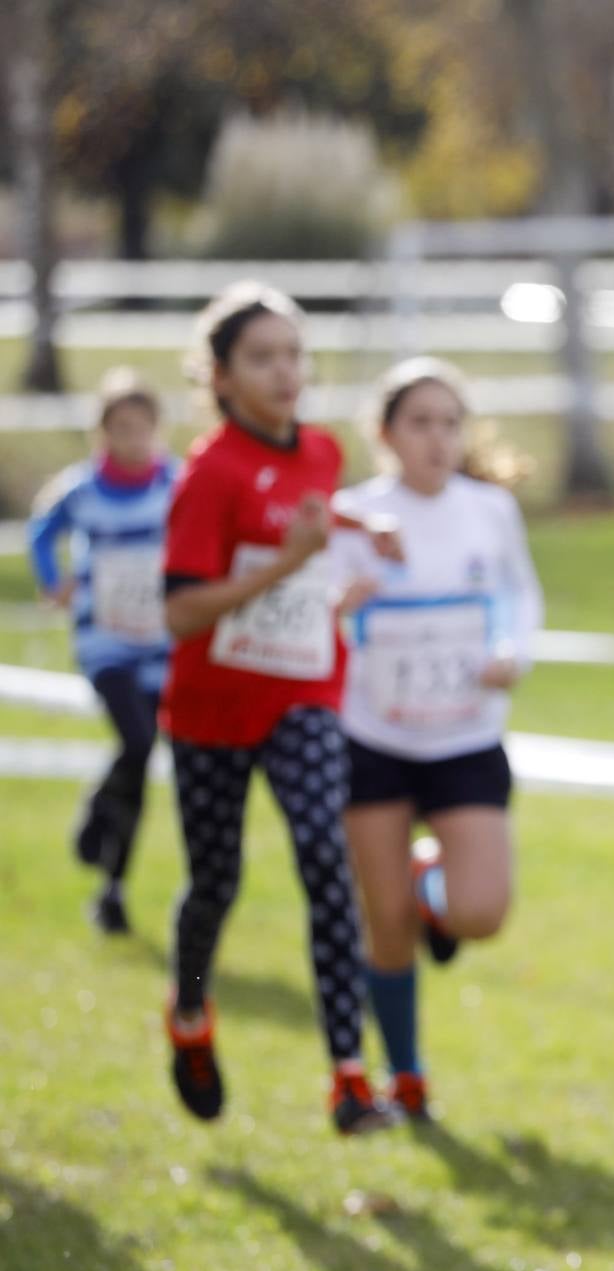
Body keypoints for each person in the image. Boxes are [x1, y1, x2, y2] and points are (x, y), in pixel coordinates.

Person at [159, 280, 403, 1135]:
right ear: (220, 377)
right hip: (210, 711)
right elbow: (180, 611)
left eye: (293, 354)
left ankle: (348, 1078)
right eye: (261, 358)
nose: (284, 371)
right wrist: (288, 559)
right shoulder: (207, 475)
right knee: (214, 884)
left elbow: (300, 506)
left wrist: (351, 530)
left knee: (322, 857)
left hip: (303, 691)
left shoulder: (324, 452)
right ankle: (189, 1017)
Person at [333, 357, 542, 1123]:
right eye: (419, 422)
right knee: (381, 923)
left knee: (481, 913)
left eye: (449, 422)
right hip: (373, 738)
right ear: (384, 433)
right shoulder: (352, 514)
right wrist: (335, 604)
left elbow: (520, 592)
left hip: (464, 737)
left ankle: (434, 888)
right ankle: (406, 1075)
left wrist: (511, 651)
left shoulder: (488, 510)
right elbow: (311, 610)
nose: (437, 438)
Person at [27, 368, 178, 935]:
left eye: (142, 428)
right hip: (106, 640)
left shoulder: (176, 483)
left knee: (139, 765)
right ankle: (96, 815)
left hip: (160, 642)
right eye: (121, 428)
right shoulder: (82, 489)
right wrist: (52, 579)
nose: (132, 439)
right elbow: (42, 532)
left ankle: (113, 886)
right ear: (104, 432)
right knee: (137, 742)